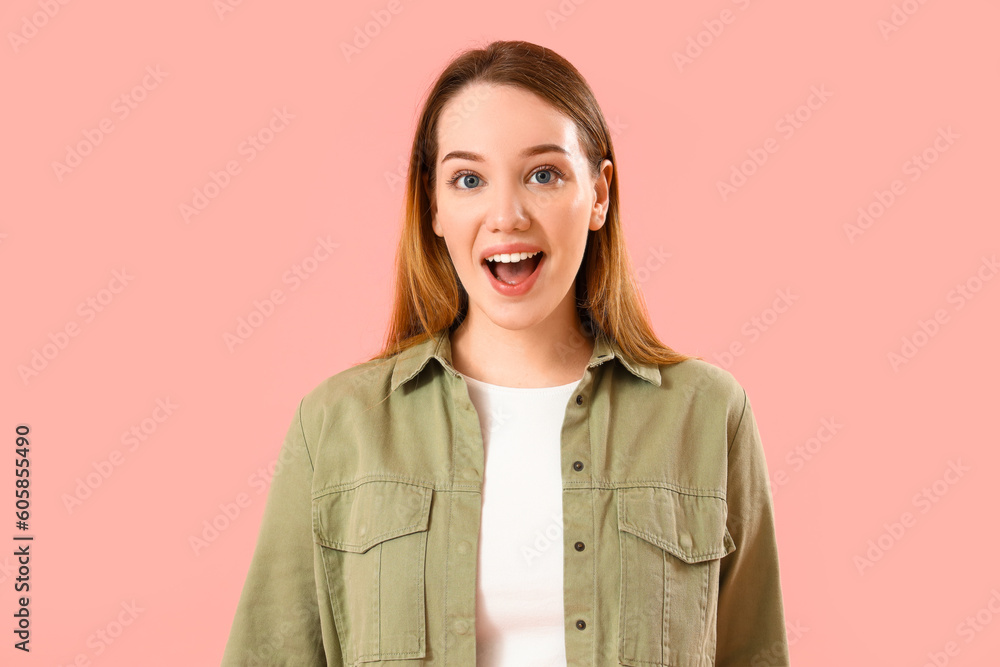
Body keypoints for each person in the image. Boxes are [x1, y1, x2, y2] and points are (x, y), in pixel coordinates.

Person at [221, 39, 789, 667]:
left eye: (544, 175)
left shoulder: (708, 417)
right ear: (434, 204)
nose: (506, 215)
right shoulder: (337, 425)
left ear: (599, 194)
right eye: (469, 179)